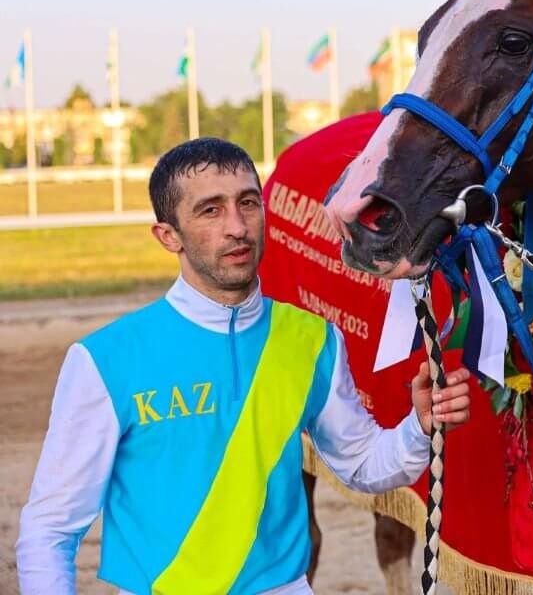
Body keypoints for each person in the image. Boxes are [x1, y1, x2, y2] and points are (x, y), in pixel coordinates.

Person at [16, 138, 473, 595]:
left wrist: (419, 425)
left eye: (248, 202)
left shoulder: (313, 338)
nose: (238, 226)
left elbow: (363, 465)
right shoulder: (104, 359)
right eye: (210, 210)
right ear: (168, 235)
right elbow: (51, 529)